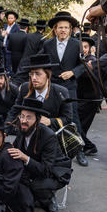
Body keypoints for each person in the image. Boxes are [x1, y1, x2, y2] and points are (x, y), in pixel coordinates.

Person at [9, 98, 72, 212]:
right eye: (22, 116)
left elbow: (46, 170)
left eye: (29, 117)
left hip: (55, 172)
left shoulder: (48, 136)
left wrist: (25, 158)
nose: (23, 120)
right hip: (35, 167)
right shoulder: (22, 128)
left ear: (37, 120)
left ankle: (48, 199)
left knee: (35, 185)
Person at [42, 11, 88, 166]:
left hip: (69, 87)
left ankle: (80, 151)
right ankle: (50, 149)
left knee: (73, 118)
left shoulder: (77, 44)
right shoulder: (47, 44)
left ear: (70, 29)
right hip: (52, 87)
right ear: (55, 29)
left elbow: (83, 66)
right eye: (60, 27)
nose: (63, 30)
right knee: (51, 116)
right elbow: (42, 62)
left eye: (66, 28)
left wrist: (73, 72)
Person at [6, 54, 75, 132]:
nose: (34, 78)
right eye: (31, 74)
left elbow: (68, 118)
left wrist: (50, 121)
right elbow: (14, 111)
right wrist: (5, 131)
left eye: (38, 74)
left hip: (52, 136)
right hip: (28, 134)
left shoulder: (61, 92)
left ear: (48, 75)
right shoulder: (25, 88)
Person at [77, 37, 102, 157]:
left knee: (79, 125)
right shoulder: (79, 60)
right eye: (80, 47)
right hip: (82, 98)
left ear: (90, 49)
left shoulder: (92, 61)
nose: (83, 50)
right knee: (79, 125)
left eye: (85, 47)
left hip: (90, 99)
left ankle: (89, 146)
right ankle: (84, 146)